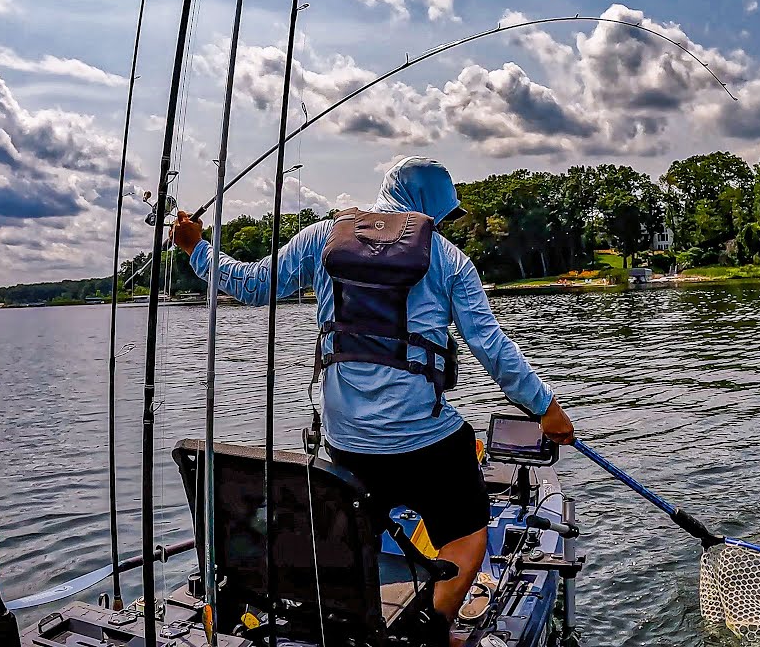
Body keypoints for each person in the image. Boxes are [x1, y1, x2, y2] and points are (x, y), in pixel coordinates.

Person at [170, 156, 575, 626]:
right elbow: (492, 348)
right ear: (431, 207)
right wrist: (546, 409)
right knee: (467, 532)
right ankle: (434, 628)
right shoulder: (449, 259)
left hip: (347, 445)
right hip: (424, 444)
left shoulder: (322, 238)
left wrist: (197, 249)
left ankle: (356, 614)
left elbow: (254, 285)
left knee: (354, 523)